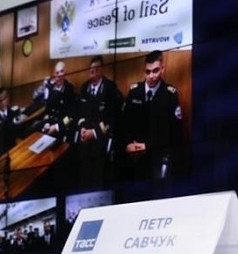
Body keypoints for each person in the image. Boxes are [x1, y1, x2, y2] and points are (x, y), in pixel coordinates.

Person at [119, 50, 184, 182]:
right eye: (148, 72)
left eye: (155, 71)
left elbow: (175, 133)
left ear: (162, 69)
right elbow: (123, 124)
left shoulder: (170, 95)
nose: (151, 76)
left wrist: (148, 146)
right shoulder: (134, 92)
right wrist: (127, 145)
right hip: (134, 157)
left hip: (157, 157)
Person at [77, 55, 123, 187]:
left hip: (101, 139)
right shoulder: (85, 87)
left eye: (97, 70)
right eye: (91, 70)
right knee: (84, 177)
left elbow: (112, 118)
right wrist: (82, 128)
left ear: (101, 70)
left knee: (99, 178)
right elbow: (81, 114)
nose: (93, 73)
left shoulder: (110, 88)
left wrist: (94, 132)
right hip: (85, 139)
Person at [41, 60, 79, 143]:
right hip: (50, 127)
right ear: (54, 74)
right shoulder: (51, 88)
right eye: (57, 73)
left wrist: (57, 127)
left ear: (65, 73)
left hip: (62, 129)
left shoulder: (69, 89)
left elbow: (71, 116)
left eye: (61, 71)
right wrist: (46, 124)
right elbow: (47, 111)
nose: (59, 75)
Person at [0, 87, 23, 154]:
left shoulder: (14, 113)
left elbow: (19, 132)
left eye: (4, 99)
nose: (3, 103)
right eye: (0, 101)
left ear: (8, 98)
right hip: (1, 154)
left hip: (14, 150)